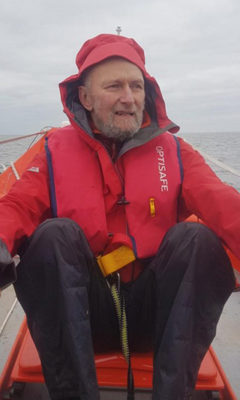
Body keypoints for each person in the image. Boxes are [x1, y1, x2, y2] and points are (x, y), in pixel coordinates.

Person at [0, 33, 239, 400]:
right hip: (78, 313)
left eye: (137, 86)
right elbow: (16, 205)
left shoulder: (174, 152)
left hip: (157, 316)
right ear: (85, 97)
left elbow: (220, 200)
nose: (129, 98)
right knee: (53, 236)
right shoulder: (53, 151)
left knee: (197, 239)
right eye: (114, 86)